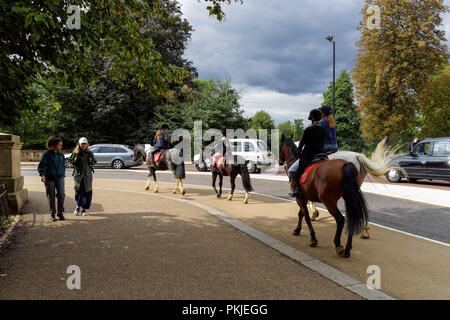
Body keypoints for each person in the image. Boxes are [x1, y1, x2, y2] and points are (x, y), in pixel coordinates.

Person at [288, 109, 327, 197]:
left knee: (292, 170)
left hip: (309, 156)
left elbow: (302, 144)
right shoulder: (324, 130)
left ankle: (297, 189)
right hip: (322, 155)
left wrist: (298, 152)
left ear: (312, 119)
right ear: (320, 118)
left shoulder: (308, 130)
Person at [38, 137, 66, 222]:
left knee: (61, 194)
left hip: (60, 177)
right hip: (49, 178)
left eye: (61, 145)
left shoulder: (61, 154)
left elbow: (63, 165)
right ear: (54, 145)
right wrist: (42, 175)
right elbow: (42, 165)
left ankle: (60, 212)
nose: (61, 146)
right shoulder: (46, 154)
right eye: (59, 145)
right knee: (51, 196)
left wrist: (62, 172)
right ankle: (52, 213)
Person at [70, 137, 97, 216]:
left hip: (87, 176)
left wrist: (91, 160)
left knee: (86, 193)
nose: (83, 145)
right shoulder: (75, 152)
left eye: (85, 144)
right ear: (79, 144)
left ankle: (83, 209)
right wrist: (74, 160)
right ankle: (78, 206)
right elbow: (70, 161)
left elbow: (95, 162)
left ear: (87, 144)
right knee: (78, 193)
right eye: (82, 144)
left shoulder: (89, 153)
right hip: (78, 176)